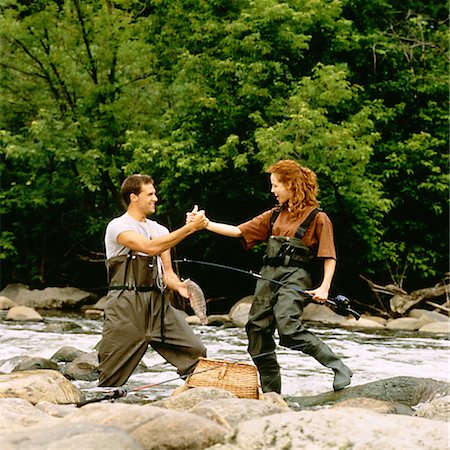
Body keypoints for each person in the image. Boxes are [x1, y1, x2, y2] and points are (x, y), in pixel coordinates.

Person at [187, 160, 352, 394]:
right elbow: (238, 231)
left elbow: (329, 256)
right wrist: (205, 224)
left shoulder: (318, 218)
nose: (272, 190)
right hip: (268, 277)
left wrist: (324, 288)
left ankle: (338, 367)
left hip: (296, 277)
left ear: (291, 185)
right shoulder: (274, 216)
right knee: (256, 329)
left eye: (276, 185)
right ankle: (272, 393)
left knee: (288, 326)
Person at [98, 174, 208, 387]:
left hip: (158, 306)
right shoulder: (117, 226)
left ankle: (197, 397)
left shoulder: (160, 230)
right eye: (150, 194)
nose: (155, 198)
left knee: (196, 352)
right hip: (125, 306)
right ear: (134, 197)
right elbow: (149, 248)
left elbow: (167, 273)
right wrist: (190, 228)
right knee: (110, 373)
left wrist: (180, 287)